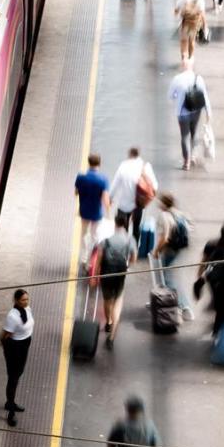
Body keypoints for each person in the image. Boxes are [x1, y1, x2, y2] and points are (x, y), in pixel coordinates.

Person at [89, 210, 135, 347]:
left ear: (115, 223)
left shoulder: (106, 240)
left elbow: (99, 259)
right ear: (126, 224)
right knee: (117, 302)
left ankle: (108, 322)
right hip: (120, 274)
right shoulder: (129, 240)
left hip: (106, 273)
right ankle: (112, 335)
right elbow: (134, 258)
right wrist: (128, 265)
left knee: (107, 300)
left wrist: (94, 276)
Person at [193, 223, 224, 341]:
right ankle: (219, 332)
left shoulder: (210, 244)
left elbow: (203, 262)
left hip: (213, 280)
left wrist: (200, 277)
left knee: (219, 305)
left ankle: (217, 330)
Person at [152, 193, 193, 320]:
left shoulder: (164, 216)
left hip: (170, 250)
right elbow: (190, 227)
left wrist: (156, 251)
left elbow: (165, 237)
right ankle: (180, 304)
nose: (158, 204)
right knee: (170, 277)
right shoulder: (180, 213)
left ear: (164, 203)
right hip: (179, 249)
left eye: (160, 202)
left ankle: (182, 306)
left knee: (168, 279)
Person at [168, 60, 209, 169]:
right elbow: (204, 95)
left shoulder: (177, 79)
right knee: (194, 133)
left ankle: (186, 162)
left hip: (182, 112)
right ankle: (193, 156)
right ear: (192, 67)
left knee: (185, 136)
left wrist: (178, 95)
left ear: (182, 66)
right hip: (196, 110)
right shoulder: (198, 78)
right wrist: (208, 112)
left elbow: (170, 95)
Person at [1, 290, 33, 426]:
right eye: (23, 300)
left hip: (24, 344)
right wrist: (8, 351)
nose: (26, 302)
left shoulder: (27, 309)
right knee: (13, 378)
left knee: (18, 374)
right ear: (16, 300)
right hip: (15, 347)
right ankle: (10, 409)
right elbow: (4, 336)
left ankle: (10, 403)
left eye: (27, 299)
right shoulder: (12, 317)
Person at [108, 147, 159, 233]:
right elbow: (155, 186)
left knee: (122, 230)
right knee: (136, 228)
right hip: (138, 204)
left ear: (130, 154)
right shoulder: (145, 166)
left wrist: (110, 198)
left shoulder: (123, 166)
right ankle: (135, 241)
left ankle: (123, 240)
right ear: (138, 154)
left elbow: (115, 184)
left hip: (123, 205)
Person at [74, 153, 111, 260]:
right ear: (99, 163)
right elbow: (105, 198)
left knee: (84, 234)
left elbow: (76, 192)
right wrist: (108, 212)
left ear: (88, 162)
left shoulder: (80, 177)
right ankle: (92, 257)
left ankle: (84, 257)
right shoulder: (103, 179)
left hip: (84, 211)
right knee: (95, 235)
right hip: (96, 213)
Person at [175, 0, 205, 64]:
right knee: (192, 41)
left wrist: (179, 15)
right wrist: (205, 25)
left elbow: (176, 11)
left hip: (184, 22)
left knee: (183, 41)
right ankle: (190, 57)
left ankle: (183, 58)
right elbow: (202, 13)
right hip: (194, 23)